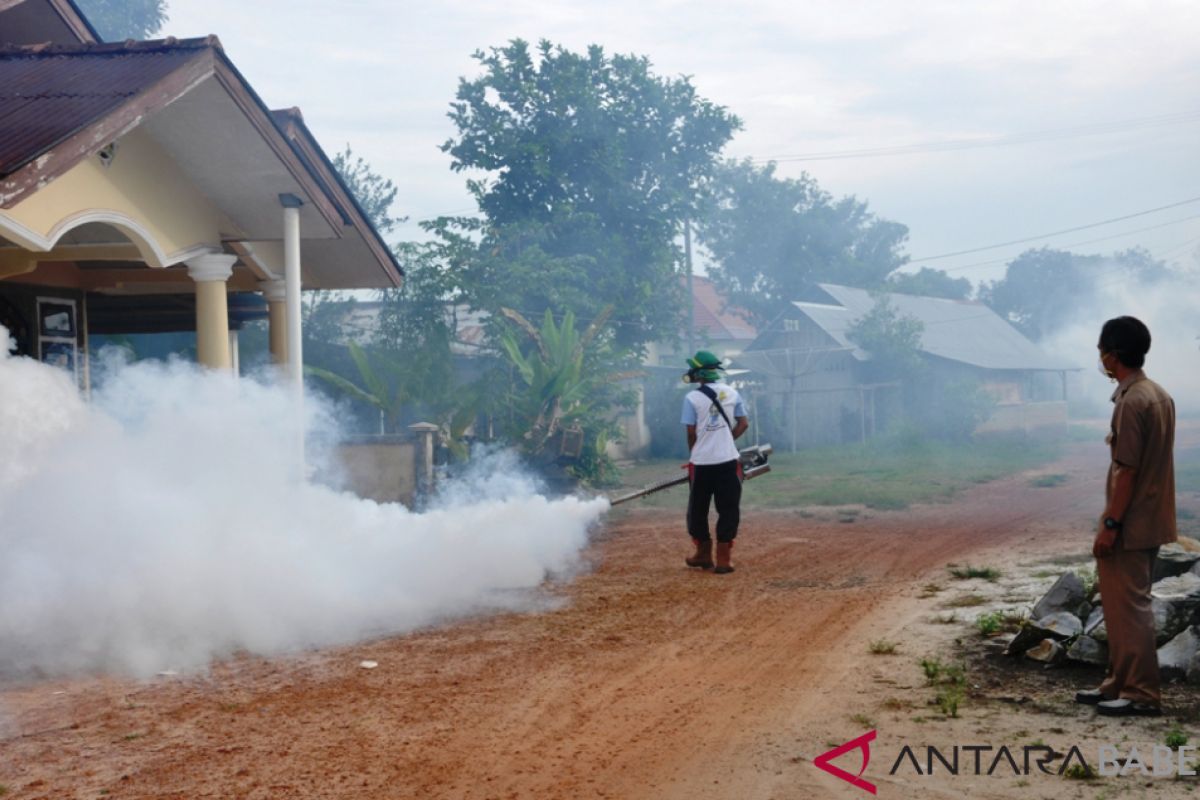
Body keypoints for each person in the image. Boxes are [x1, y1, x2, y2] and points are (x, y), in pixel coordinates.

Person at [1075, 316, 1176, 717]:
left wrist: (1110, 524)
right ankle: (1117, 684)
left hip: (1131, 523)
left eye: (1102, 350)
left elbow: (1127, 470)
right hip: (1150, 518)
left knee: (1130, 608)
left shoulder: (1133, 401)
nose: (1101, 358)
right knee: (1118, 607)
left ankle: (1140, 693)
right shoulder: (1157, 394)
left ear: (1112, 355)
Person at [680, 350, 749, 574]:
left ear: (697, 373)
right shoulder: (732, 393)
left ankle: (703, 553)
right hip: (728, 461)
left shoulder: (691, 398)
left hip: (702, 464)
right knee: (728, 508)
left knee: (697, 510)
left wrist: (696, 452)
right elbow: (744, 423)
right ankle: (723, 559)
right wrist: (727, 440)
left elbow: (691, 433)